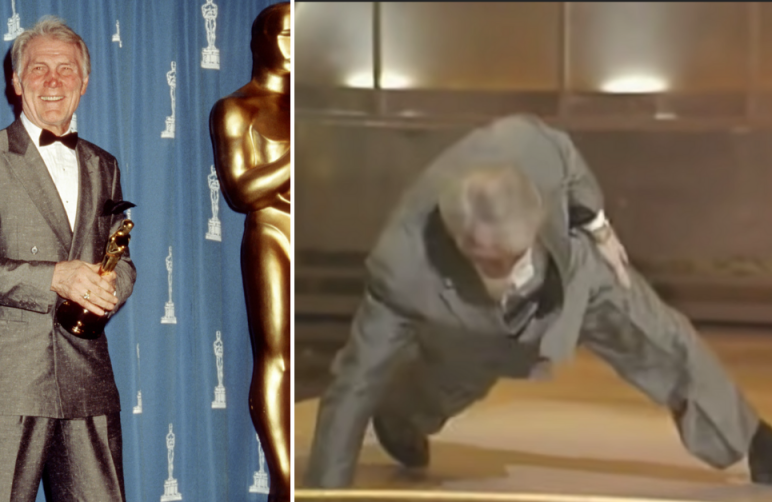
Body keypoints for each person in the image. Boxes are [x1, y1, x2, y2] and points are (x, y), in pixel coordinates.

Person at [304, 114, 772, 488]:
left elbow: (568, 161)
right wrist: (324, 490)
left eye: (515, 256)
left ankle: (754, 442)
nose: (510, 274)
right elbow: (355, 383)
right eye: (492, 263)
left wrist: (598, 229)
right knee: (451, 383)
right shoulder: (403, 267)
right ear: (461, 243)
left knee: (663, 338)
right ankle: (402, 418)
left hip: (572, 270)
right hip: (472, 325)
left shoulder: (529, 145)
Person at [0, 16, 135, 501]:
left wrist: (113, 284)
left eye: (66, 69)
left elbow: (122, 256)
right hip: (9, 380)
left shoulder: (104, 164)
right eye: (39, 68)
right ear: (17, 80)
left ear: (84, 82)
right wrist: (55, 278)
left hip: (88, 374)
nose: (52, 81)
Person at [209, 2, 290, 500]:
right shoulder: (238, 108)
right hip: (274, 231)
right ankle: (285, 481)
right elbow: (241, 190)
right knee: (277, 357)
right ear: (260, 39)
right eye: (286, 35)